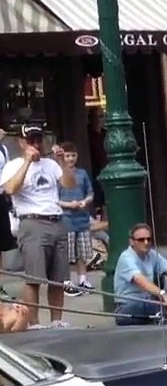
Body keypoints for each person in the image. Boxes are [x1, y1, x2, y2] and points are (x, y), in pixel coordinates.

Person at [1, 128, 77, 328]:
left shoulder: (50, 164)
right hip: (32, 221)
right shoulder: (13, 165)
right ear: (22, 142)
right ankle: (34, 322)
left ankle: (57, 320)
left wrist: (62, 162)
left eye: (39, 140)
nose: (36, 144)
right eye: (31, 140)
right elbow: (10, 189)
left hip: (56, 219)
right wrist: (27, 162)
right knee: (33, 277)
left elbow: (70, 184)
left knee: (58, 277)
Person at [57, 142, 95, 297]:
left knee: (82, 253)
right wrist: (68, 204)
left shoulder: (82, 174)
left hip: (82, 218)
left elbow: (90, 193)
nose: (70, 159)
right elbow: (54, 198)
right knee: (67, 253)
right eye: (67, 156)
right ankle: (67, 281)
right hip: (66, 219)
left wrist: (85, 201)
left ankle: (83, 279)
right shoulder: (58, 174)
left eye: (73, 155)